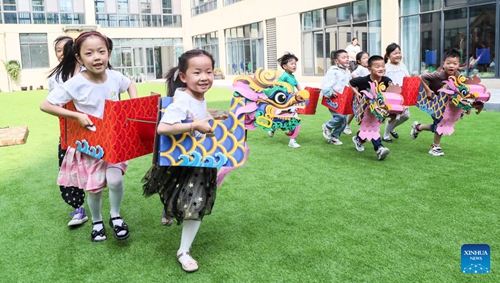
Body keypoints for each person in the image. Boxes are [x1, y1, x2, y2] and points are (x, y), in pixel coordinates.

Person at [40, 31, 138, 242]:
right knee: (94, 189)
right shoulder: (76, 83)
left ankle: (115, 216)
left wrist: (133, 104)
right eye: (90, 53)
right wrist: (77, 115)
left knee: (115, 180)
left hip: (113, 139)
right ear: (79, 58)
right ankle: (96, 221)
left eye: (101, 51)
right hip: (91, 145)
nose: (97, 57)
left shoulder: (114, 76)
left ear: (108, 53)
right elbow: (46, 105)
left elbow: (129, 84)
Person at [142, 49, 218, 273]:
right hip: (181, 158)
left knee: (196, 202)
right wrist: (196, 125)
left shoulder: (197, 95)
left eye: (209, 71)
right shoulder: (182, 98)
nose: (204, 77)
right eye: (197, 72)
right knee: (173, 192)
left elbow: (197, 115)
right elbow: (163, 128)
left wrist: (210, 117)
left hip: (199, 162)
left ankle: (183, 251)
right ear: (183, 77)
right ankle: (169, 210)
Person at [48, 36, 88, 227]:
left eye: (66, 49)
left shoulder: (88, 73)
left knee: (99, 167)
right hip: (68, 131)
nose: (61, 53)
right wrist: (73, 115)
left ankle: (110, 209)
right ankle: (79, 208)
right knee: (68, 168)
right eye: (58, 50)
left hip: (93, 128)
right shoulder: (56, 78)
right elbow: (51, 104)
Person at [410, 49, 461, 156]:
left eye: (454, 63)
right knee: (440, 124)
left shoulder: (458, 76)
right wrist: (428, 90)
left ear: (459, 65)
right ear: (443, 64)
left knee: (438, 125)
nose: (451, 66)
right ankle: (435, 146)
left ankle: (418, 127)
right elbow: (421, 77)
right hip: (435, 103)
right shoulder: (438, 75)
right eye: (448, 63)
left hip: (448, 106)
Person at [349, 55, 392, 160]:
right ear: (369, 69)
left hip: (379, 109)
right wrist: (357, 93)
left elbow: (390, 93)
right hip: (365, 109)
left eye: (382, 66)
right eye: (377, 66)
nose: (381, 68)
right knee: (373, 128)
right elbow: (351, 83)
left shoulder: (387, 80)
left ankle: (358, 139)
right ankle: (379, 148)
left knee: (369, 127)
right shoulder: (364, 80)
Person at [267, 52, 302, 148]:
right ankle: (273, 128)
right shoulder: (284, 76)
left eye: (295, 64)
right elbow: (279, 86)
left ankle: (292, 140)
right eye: (292, 64)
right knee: (280, 118)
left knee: (294, 118)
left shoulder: (292, 76)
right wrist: (288, 93)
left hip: (291, 101)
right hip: (284, 102)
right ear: (285, 66)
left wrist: (302, 93)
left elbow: (297, 85)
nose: (294, 65)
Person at [320, 49, 351, 145]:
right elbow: (326, 83)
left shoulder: (347, 71)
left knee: (344, 120)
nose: (346, 59)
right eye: (343, 57)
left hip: (344, 98)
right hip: (334, 98)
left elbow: (349, 84)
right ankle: (327, 126)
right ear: (336, 61)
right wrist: (329, 92)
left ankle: (334, 136)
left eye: (347, 57)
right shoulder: (333, 71)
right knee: (340, 116)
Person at [382, 43, 410, 143]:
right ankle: (385, 135)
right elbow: (381, 81)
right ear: (388, 56)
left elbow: (407, 78)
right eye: (395, 53)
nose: (398, 55)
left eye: (399, 52)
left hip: (402, 95)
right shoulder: (386, 67)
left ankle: (392, 129)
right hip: (391, 95)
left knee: (406, 116)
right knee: (393, 115)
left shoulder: (402, 66)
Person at [345, 51, 369, 135]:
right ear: (359, 61)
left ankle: (363, 128)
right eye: (364, 58)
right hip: (359, 93)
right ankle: (347, 125)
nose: (367, 59)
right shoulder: (360, 68)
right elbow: (353, 74)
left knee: (363, 110)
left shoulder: (367, 69)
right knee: (357, 110)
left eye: (367, 57)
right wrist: (360, 81)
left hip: (367, 94)